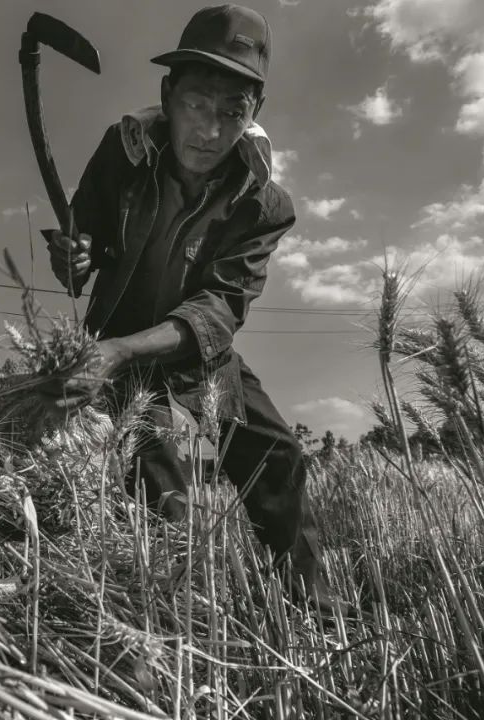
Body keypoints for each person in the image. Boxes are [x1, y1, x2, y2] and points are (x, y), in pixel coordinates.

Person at [42, 4, 339, 607]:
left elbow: (220, 309)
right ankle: (178, 610)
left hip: (195, 354)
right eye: (197, 104)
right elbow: (86, 245)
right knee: (158, 485)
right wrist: (72, 259)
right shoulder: (121, 152)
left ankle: (315, 605)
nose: (209, 130)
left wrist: (120, 350)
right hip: (118, 344)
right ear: (167, 93)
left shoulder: (264, 204)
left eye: (233, 111)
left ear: (255, 111)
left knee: (275, 455)